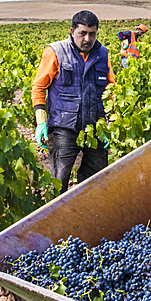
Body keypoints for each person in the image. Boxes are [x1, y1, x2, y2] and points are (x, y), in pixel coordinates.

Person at [31, 10, 115, 194]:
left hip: (95, 130)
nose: (87, 39)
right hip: (63, 129)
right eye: (82, 33)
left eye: (92, 34)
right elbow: (38, 87)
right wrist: (41, 123)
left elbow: (111, 90)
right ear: (72, 31)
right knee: (58, 183)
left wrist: (113, 124)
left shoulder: (103, 54)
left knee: (96, 182)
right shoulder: (56, 52)